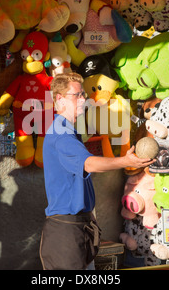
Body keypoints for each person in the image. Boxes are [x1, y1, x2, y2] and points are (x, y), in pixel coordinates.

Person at [39, 72, 155, 270]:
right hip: (66, 230)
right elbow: (89, 164)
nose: (84, 99)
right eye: (77, 95)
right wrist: (125, 160)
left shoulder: (69, 131)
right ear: (60, 99)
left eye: (83, 94)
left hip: (79, 226)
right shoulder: (61, 134)